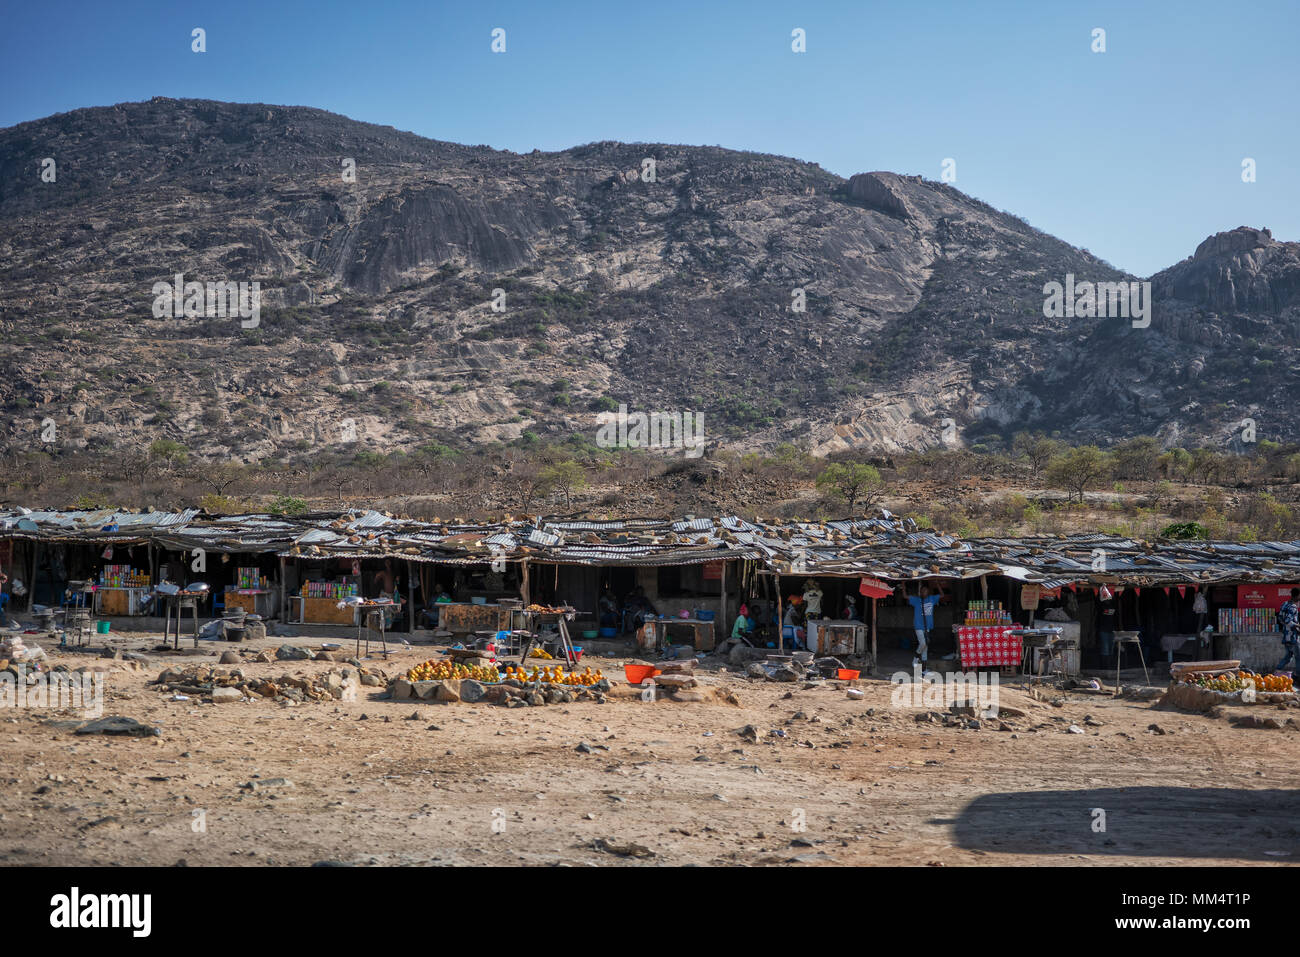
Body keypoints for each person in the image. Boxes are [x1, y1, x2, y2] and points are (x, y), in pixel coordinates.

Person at [906, 583, 941, 666]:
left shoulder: (932, 599)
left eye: (925, 591)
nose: (924, 592)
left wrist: (938, 584)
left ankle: (924, 669)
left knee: (925, 648)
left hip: (927, 626)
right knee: (923, 644)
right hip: (918, 626)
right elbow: (905, 596)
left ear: (928, 592)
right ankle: (915, 658)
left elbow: (942, 595)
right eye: (922, 591)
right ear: (920, 592)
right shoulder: (916, 600)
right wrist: (904, 585)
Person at [1276, 588, 1300, 672]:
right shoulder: (1293, 607)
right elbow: (1288, 621)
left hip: (1286, 636)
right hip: (1293, 637)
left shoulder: (1284, 604)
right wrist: (1297, 625)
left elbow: (1280, 618)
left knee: (1288, 657)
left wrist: (1286, 627)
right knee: (1298, 658)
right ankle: (1298, 676)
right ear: (1297, 595)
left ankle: (1277, 671)